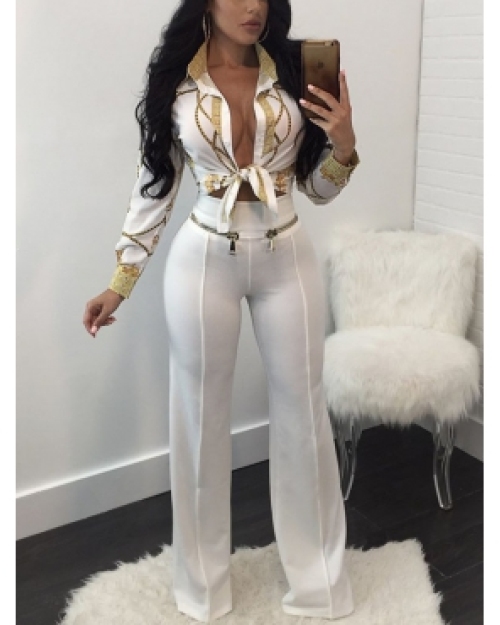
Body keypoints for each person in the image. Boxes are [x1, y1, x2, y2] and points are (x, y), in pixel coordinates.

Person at [83, 0, 360, 621]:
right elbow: (154, 186)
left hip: (287, 257)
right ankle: (203, 592)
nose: (252, 6)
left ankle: (321, 587)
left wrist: (344, 144)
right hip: (204, 260)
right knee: (200, 421)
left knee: (304, 415)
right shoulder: (177, 84)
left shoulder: (294, 73)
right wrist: (120, 282)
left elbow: (316, 189)